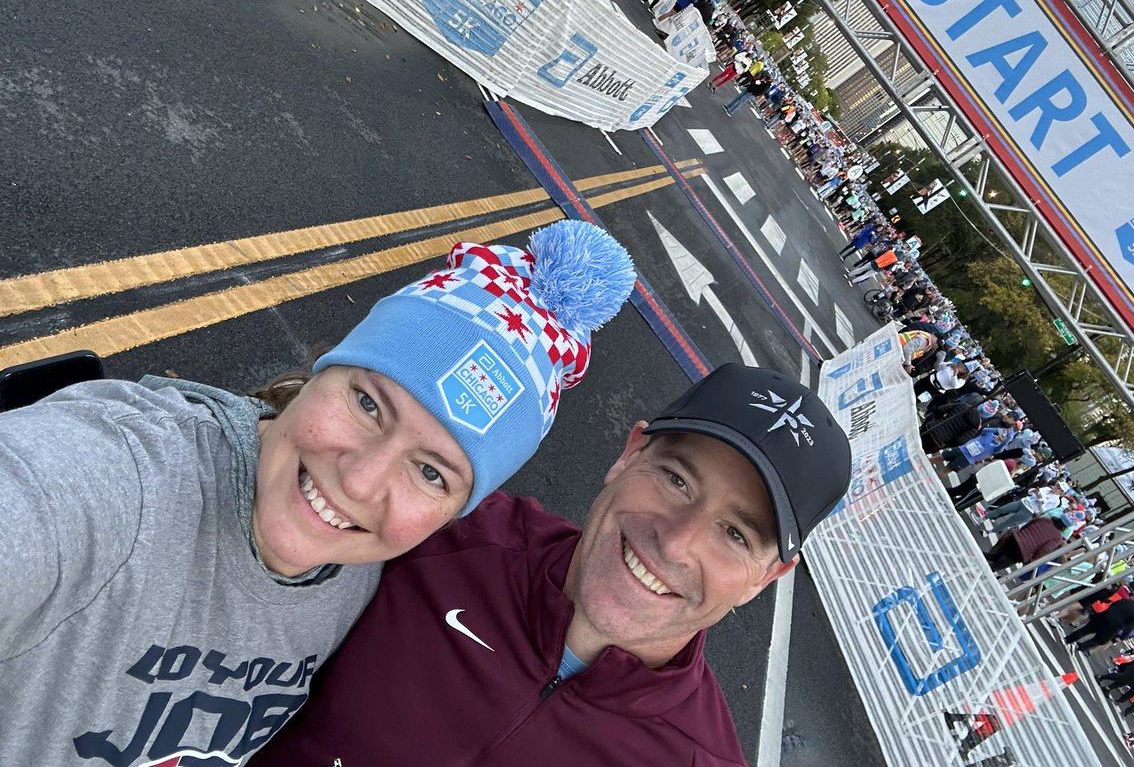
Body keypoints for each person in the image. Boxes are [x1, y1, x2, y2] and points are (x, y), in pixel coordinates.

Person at [0, 220, 636, 764]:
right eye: (367, 404)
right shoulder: (123, 474)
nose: (358, 482)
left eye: (431, 472)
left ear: (452, 516)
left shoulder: (361, 585)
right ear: (324, 367)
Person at [249, 364, 853, 765]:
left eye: (735, 534)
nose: (676, 542)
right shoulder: (444, 535)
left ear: (766, 579)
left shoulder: (698, 758)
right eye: (676, 479)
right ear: (628, 454)